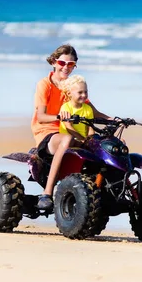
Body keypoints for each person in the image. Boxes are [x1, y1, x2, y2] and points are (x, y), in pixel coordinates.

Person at [31, 44, 107, 210]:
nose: (66, 67)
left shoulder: (73, 86)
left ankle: (98, 191)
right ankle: (47, 192)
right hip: (47, 133)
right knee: (67, 138)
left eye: (71, 64)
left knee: (101, 143)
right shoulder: (45, 85)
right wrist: (59, 116)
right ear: (53, 62)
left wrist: (114, 119)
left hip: (72, 130)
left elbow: (94, 112)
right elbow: (41, 117)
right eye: (62, 63)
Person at [58, 75, 94, 144]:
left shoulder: (88, 109)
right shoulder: (66, 107)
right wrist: (82, 139)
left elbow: (90, 128)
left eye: (85, 92)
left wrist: (90, 139)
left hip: (83, 141)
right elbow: (68, 127)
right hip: (68, 141)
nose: (84, 95)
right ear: (69, 94)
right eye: (80, 92)